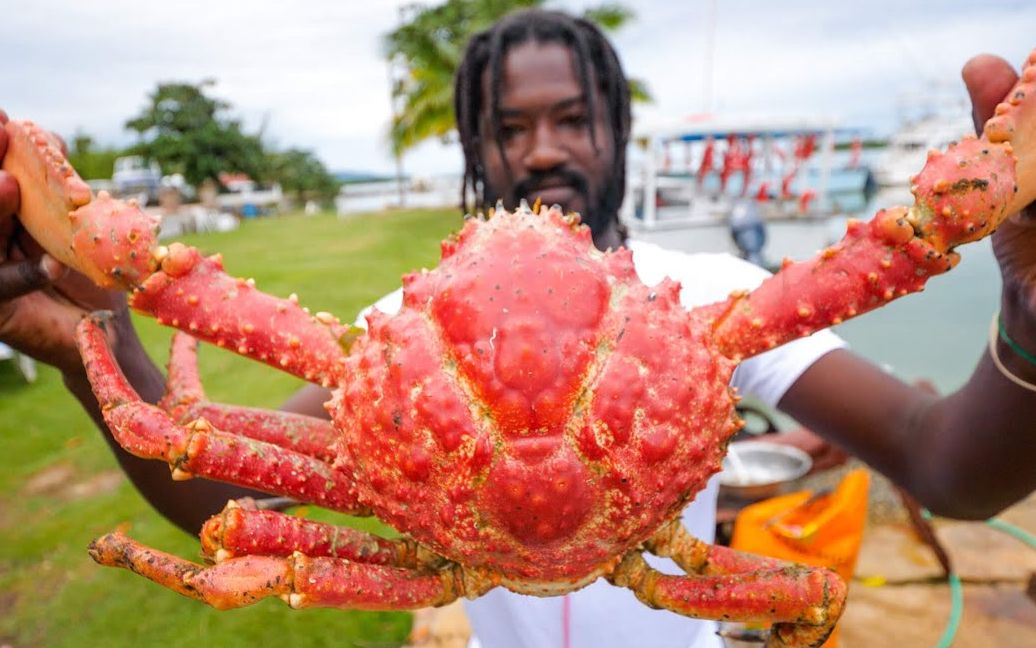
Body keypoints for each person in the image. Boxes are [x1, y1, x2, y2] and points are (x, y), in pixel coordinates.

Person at [1, 8, 1035, 648]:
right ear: (474, 147)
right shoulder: (392, 345)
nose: (542, 151)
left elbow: (944, 465)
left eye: (571, 118)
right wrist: (95, 337)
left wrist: (1028, 316)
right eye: (509, 127)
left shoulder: (711, 300)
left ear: (616, 129)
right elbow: (220, 494)